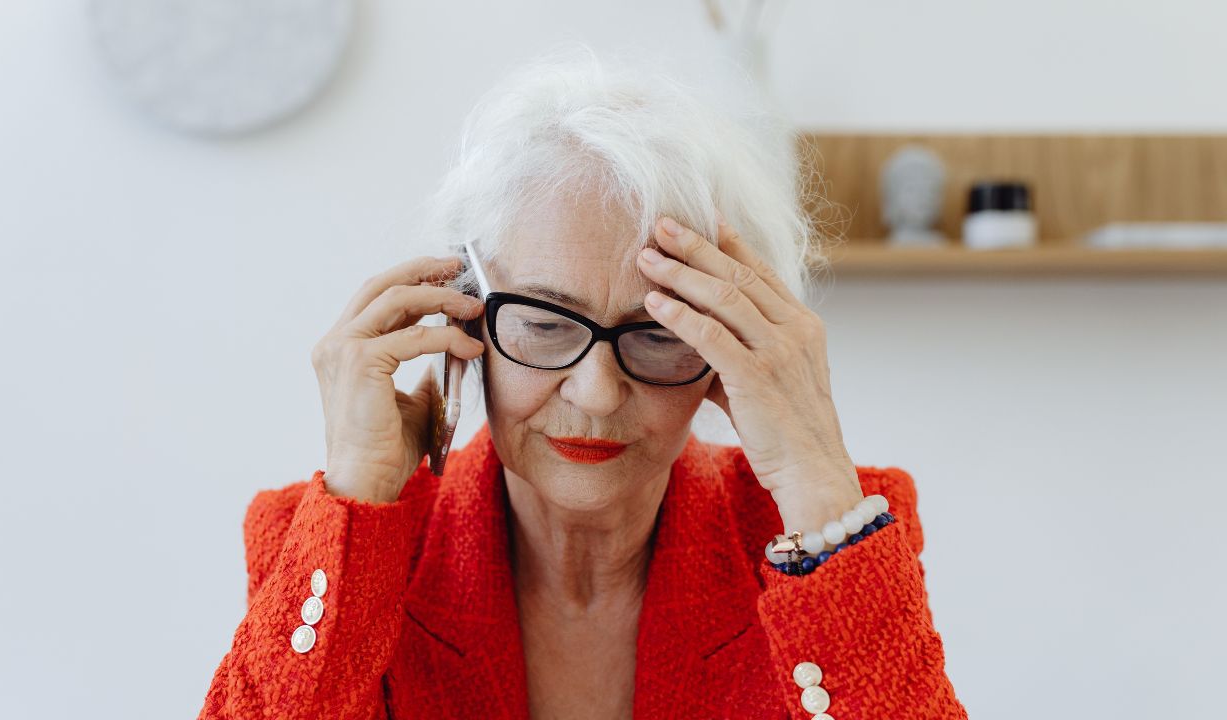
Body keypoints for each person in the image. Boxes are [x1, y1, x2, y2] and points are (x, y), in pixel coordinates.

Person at [198, 43, 968, 719]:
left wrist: (814, 477)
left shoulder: (822, 533)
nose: (596, 394)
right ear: (468, 326)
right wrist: (359, 491)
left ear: (729, 348)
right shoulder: (329, 542)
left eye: (659, 334)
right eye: (543, 324)